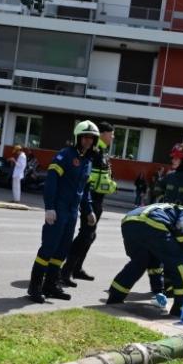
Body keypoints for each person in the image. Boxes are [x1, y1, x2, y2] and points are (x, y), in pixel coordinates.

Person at [27, 121, 98, 303]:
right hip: (58, 209)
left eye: (92, 138)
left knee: (62, 250)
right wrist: (49, 207)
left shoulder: (87, 161)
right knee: (49, 247)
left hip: (72, 212)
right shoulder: (65, 155)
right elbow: (51, 181)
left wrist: (89, 210)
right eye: (85, 137)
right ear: (78, 137)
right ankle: (34, 287)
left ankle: (51, 285)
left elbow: (85, 190)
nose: (88, 141)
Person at [106, 203, 183, 318]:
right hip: (152, 223)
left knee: (140, 262)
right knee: (182, 262)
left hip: (129, 223)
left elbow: (155, 266)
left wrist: (158, 291)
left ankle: (115, 297)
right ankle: (182, 308)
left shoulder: (169, 210)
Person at [61, 121, 116, 285]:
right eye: (111, 134)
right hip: (90, 199)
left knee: (90, 235)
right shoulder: (94, 151)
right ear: (104, 133)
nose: (113, 137)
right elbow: (86, 176)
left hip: (98, 198)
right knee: (86, 235)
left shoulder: (102, 151)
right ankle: (65, 271)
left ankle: (76, 269)